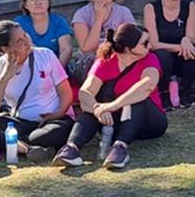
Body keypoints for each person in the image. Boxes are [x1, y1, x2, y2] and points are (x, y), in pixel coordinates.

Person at [53, 24, 167, 170]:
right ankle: (71, 148)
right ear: (128, 48)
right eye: (145, 43)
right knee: (91, 109)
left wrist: (114, 105)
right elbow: (85, 93)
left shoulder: (150, 59)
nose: (150, 46)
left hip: (148, 121)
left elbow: (147, 85)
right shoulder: (105, 61)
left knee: (135, 100)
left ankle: (120, 147)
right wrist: (97, 109)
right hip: (114, 120)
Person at [0, 20, 73, 162]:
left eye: (25, 36)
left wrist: (57, 114)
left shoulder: (46, 55)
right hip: (18, 122)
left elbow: (65, 93)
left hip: (51, 119)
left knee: (48, 134)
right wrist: (5, 77)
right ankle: (25, 148)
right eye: (19, 41)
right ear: (6, 49)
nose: (26, 42)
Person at [143, 0, 195, 109]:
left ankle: (185, 90)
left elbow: (191, 37)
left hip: (182, 56)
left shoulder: (190, 6)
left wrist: (186, 40)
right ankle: (162, 93)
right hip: (162, 55)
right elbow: (153, 44)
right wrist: (181, 46)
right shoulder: (151, 8)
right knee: (162, 55)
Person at [71, 0, 136, 57]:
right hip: (91, 57)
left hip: (118, 55)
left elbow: (132, 40)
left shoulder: (124, 12)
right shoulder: (81, 14)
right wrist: (99, 19)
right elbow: (86, 48)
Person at [14, 0, 73, 67]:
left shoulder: (59, 21)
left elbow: (66, 49)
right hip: (29, 67)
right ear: (26, 4)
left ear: (49, 2)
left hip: (58, 66)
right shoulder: (19, 23)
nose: (38, 2)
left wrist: (57, 70)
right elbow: (29, 48)